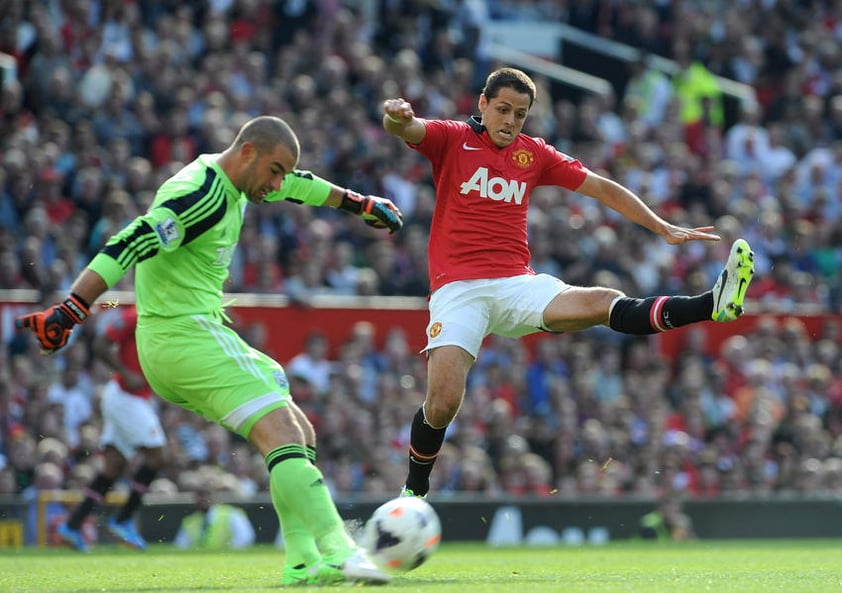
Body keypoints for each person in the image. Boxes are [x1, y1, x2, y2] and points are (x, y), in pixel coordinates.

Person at [15, 115, 401, 585]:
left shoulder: (244, 180)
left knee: (299, 431)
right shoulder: (201, 196)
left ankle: (302, 562)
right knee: (280, 430)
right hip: (183, 337)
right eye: (274, 170)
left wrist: (358, 203)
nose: (277, 183)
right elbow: (130, 240)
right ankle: (341, 550)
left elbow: (301, 186)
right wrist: (71, 309)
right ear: (248, 152)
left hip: (183, 339)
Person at [382, 67, 755, 499]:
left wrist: (661, 226)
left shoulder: (533, 154)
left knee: (602, 301)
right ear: (482, 105)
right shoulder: (451, 138)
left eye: (520, 114)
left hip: (516, 283)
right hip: (459, 289)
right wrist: (397, 115)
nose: (510, 121)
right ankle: (413, 494)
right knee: (443, 403)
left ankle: (712, 303)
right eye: (502, 109)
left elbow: (601, 188)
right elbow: (405, 127)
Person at [57, 305, 165, 552]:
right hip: (125, 395)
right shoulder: (135, 315)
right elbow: (100, 345)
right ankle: (124, 520)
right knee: (158, 456)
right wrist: (125, 373)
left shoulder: (169, 316)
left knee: (113, 467)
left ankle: (72, 526)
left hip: (134, 397)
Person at [174, 482, 256, 550]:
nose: (203, 499)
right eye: (200, 495)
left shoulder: (232, 514)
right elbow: (181, 546)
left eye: (207, 494)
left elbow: (245, 538)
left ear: (216, 497)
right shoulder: (190, 521)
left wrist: (226, 555)